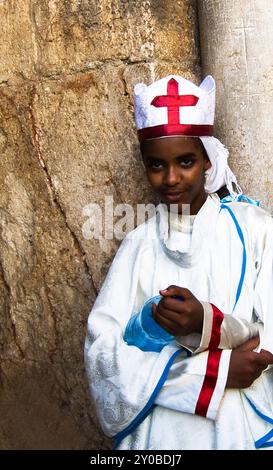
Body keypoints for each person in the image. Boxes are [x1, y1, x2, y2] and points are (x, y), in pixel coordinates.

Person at [84, 74, 273, 450]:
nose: (171, 178)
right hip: (160, 435)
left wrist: (208, 324)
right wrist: (211, 372)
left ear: (206, 158)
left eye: (185, 161)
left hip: (239, 424)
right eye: (156, 165)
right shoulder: (138, 245)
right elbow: (102, 352)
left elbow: (265, 340)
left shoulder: (255, 231)